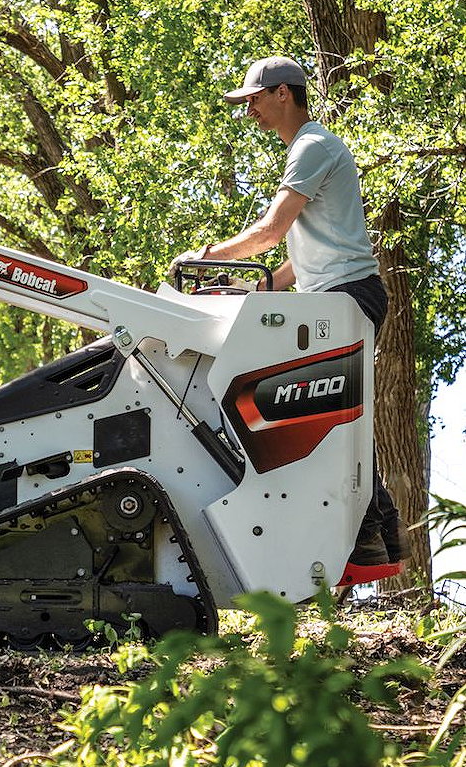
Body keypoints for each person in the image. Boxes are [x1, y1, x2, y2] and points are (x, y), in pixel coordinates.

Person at [171, 55, 407, 567]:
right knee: (339, 422)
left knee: (314, 417)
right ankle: (378, 543)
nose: (248, 110)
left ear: (283, 93)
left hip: (347, 298)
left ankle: (365, 538)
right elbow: (298, 261)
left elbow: (271, 231)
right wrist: (254, 290)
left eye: (253, 99)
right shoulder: (308, 149)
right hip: (334, 294)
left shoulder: (312, 146)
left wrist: (206, 257)